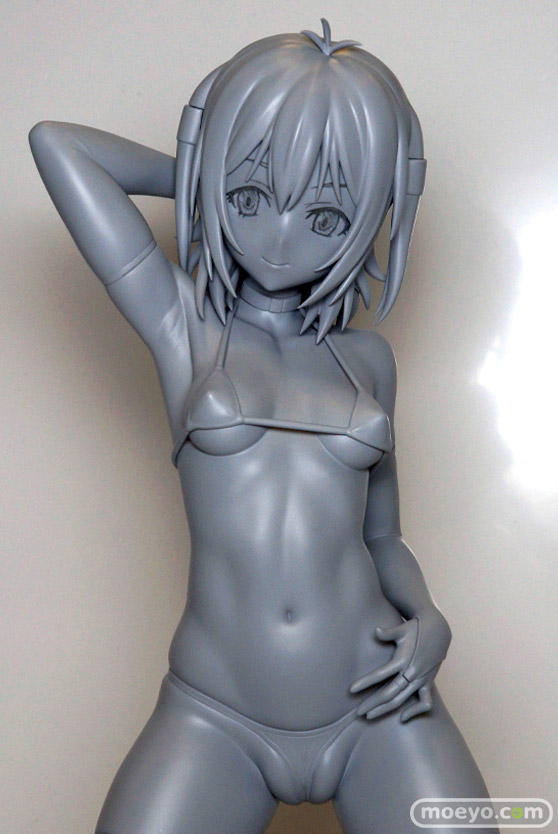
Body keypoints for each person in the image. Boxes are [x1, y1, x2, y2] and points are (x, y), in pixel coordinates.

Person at [30, 20, 495, 834]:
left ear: (368, 217)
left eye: (326, 214)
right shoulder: (182, 326)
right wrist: (208, 174)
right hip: (217, 711)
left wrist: (430, 618)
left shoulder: (367, 360)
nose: (280, 238)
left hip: (378, 700)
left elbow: (382, 538)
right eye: (252, 200)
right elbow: (58, 146)